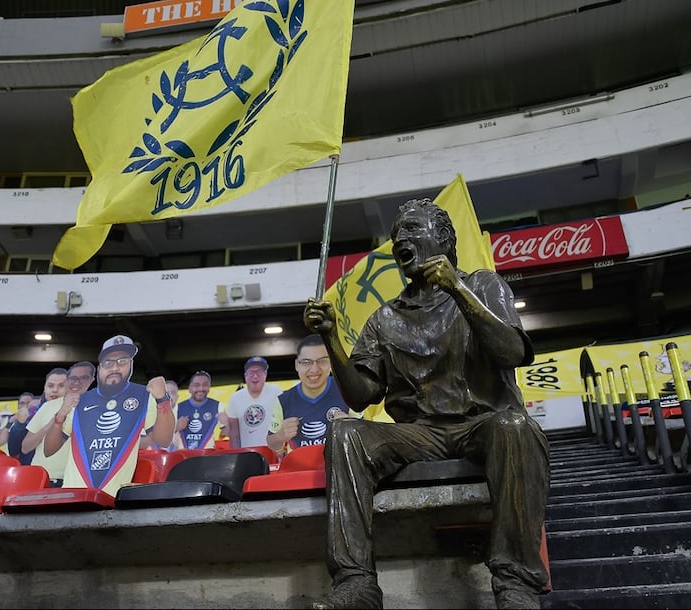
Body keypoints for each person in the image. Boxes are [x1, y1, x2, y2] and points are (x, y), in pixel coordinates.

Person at [303, 198, 550, 610]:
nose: (401, 238)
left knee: (515, 427)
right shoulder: (385, 318)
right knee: (345, 432)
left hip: (484, 423)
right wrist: (331, 339)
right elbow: (362, 396)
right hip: (420, 434)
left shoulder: (484, 284)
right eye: (397, 233)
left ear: (445, 239)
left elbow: (511, 352)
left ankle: (516, 584)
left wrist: (457, 287)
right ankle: (356, 584)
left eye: (413, 229)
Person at [44, 334, 174, 497]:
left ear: (131, 365)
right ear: (99, 369)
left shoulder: (143, 396)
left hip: (113, 499)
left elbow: (163, 440)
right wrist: (61, 414)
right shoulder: (80, 400)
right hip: (73, 496)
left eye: (122, 361)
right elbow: (49, 450)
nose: (115, 368)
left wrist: (162, 399)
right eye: (108, 363)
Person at [267, 334, 357, 456]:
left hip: (339, 469)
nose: (314, 369)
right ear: (297, 365)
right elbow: (271, 444)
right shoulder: (283, 400)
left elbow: (367, 437)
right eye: (306, 362)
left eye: (322, 361)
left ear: (330, 363)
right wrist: (281, 435)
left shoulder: (348, 391)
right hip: (301, 471)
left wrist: (350, 426)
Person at [23, 364, 94, 485]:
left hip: (76, 479)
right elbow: (25, 448)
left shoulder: (97, 407)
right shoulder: (47, 406)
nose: (77, 383)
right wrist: (54, 421)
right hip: (41, 479)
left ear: (91, 381)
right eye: (73, 379)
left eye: (84, 378)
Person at [226, 356, 282, 449]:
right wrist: (236, 456)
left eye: (259, 372)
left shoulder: (276, 392)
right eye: (251, 373)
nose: (255, 376)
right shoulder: (235, 398)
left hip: (272, 451)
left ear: (265, 374)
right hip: (247, 453)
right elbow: (234, 433)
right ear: (245, 376)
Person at [175, 370, 224, 450]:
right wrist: (176, 427)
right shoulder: (177, 408)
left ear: (209, 387)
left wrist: (226, 425)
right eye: (196, 385)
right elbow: (163, 438)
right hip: (182, 458)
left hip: (207, 457)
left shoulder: (218, 406)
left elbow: (228, 434)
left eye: (205, 385)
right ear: (189, 388)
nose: (201, 388)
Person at [140, 379, 184, 451]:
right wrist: (175, 428)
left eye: (172, 393)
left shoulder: (183, 415)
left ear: (177, 397)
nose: (169, 396)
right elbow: (142, 442)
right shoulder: (148, 413)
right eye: (165, 392)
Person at [0, 391, 36, 464]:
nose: (25, 406)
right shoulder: (10, 418)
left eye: (28, 403)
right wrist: (10, 423)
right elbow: (0, 442)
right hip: (10, 461)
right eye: (22, 403)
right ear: (18, 406)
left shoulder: (37, 418)